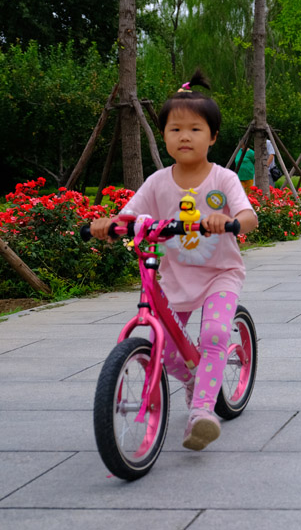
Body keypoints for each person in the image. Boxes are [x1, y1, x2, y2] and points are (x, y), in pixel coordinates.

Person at [89, 71, 260, 450]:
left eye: (195, 129)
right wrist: (108, 224)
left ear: (213, 137)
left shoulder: (224, 179)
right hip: (173, 276)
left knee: (215, 334)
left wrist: (228, 221)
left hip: (220, 274)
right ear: (164, 136)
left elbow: (249, 217)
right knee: (163, 349)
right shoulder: (157, 182)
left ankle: (202, 412)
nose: (185, 136)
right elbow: (128, 215)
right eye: (175, 129)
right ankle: (197, 379)